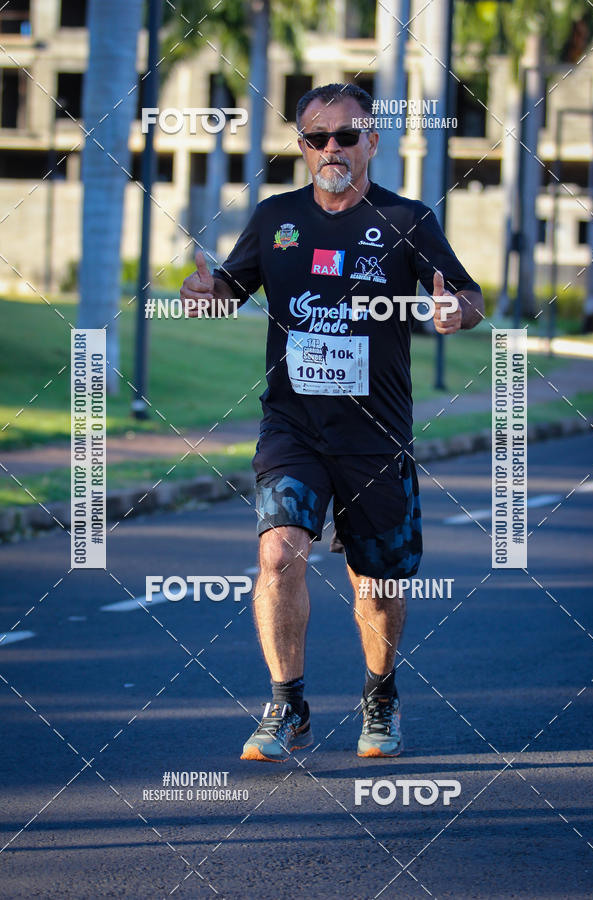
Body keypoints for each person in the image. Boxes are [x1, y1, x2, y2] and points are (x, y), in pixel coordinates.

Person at [180, 83, 483, 762]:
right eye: (318, 138)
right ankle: (288, 705)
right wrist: (203, 295)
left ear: (372, 140)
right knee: (279, 552)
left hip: (374, 436)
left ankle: (380, 693)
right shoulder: (275, 217)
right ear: (302, 147)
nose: (333, 149)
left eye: (347, 135)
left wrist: (455, 312)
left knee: (376, 587)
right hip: (293, 427)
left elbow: (468, 295)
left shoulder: (405, 219)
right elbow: (229, 290)